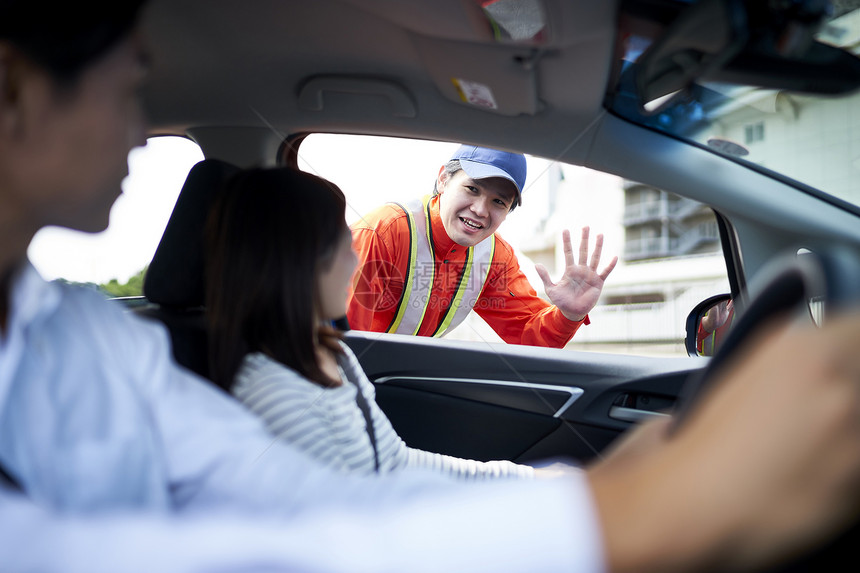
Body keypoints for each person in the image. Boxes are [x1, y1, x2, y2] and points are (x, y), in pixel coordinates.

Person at [3, 2, 860, 572]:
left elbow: (311, 488)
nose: (133, 127)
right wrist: (630, 514)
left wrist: (565, 348)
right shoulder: (375, 250)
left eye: (504, 200)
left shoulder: (91, 336)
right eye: (127, 92)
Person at [204, 167, 533, 479]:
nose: (354, 259)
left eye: (497, 201)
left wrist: (526, 477)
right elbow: (346, 505)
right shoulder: (273, 391)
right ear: (288, 261)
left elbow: (394, 460)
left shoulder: (335, 355)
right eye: (338, 244)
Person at [348, 145, 618, 348]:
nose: (480, 210)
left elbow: (528, 334)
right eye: (472, 189)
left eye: (498, 202)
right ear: (443, 180)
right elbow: (339, 341)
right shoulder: (382, 232)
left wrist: (569, 315)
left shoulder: (494, 256)